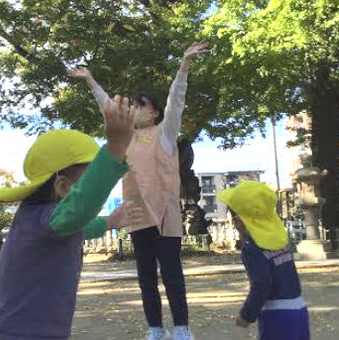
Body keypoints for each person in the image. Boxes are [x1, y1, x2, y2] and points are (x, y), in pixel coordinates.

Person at [68, 41, 208, 340]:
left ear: (154, 113)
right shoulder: (124, 136)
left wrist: (184, 65)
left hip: (165, 216)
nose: (132, 108)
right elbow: (108, 106)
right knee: (145, 277)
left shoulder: (166, 133)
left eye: (139, 105)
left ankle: (182, 328)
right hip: (136, 214)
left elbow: (176, 102)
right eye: (132, 105)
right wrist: (91, 80)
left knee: (172, 274)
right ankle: (156, 328)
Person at [0, 95, 144, 340]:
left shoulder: (44, 221)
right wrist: (116, 147)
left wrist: (110, 222)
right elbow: (79, 208)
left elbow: (82, 227)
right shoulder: (44, 219)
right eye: (87, 179)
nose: (92, 189)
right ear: (63, 187)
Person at [217, 181, 310, 340]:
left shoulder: (252, 249)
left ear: (238, 221)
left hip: (277, 316)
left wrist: (246, 315)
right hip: (299, 311)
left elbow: (261, 285)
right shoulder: (280, 240)